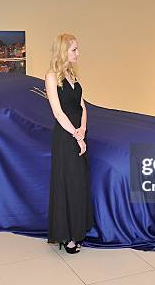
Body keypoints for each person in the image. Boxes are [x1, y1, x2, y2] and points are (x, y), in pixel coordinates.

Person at [45, 33, 94, 254]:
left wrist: (82, 130)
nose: (78, 53)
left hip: (78, 133)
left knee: (79, 184)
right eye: (74, 49)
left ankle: (78, 231)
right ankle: (67, 236)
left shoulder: (73, 75)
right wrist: (76, 135)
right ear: (63, 51)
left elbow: (82, 106)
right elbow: (57, 112)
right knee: (67, 184)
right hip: (65, 137)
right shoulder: (52, 76)